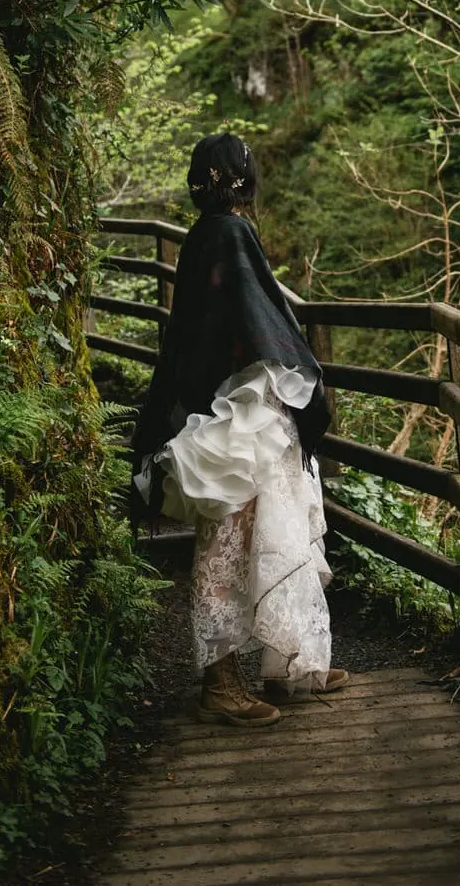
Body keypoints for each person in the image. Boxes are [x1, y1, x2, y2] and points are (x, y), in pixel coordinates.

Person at [130, 133, 348, 726]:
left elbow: (239, 319)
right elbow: (258, 319)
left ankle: (292, 658)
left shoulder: (206, 237)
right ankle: (220, 681)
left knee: (273, 526)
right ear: (240, 181)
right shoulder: (228, 234)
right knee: (232, 537)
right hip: (242, 409)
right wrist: (294, 370)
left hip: (240, 405)